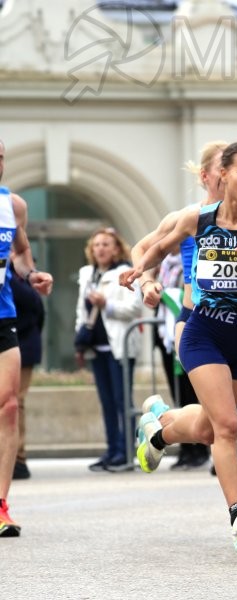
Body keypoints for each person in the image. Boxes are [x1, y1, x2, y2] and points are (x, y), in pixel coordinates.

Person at [120, 140, 237, 551]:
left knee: (208, 427)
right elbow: (154, 249)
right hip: (199, 330)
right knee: (229, 426)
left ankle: (160, 428)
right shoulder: (195, 219)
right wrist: (141, 276)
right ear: (222, 175)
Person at [132, 141, 228, 470]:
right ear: (206, 175)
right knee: (219, 421)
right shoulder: (187, 218)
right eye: (223, 168)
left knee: (209, 424)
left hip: (236, 324)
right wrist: (147, 283)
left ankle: (159, 424)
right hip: (194, 323)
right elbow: (141, 250)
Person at [0, 138, 54, 536]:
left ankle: (1, 506)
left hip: (3, 315)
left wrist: (31, 274)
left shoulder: (12, 204)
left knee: (9, 407)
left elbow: (19, 251)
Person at [75, 227, 143, 473]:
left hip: (120, 346)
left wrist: (107, 305)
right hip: (96, 347)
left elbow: (134, 308)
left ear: (116, 248)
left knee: (121, 400)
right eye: (97, 245)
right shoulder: (87, 274)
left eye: (106, 244)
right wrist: (79, 342)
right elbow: (81, 312)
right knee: (106, 402)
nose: (101, 249)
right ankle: (111, 449)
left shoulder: (125, 272)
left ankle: (126, 452)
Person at [10, 252, 44, 480]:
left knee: (16, 402)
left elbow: (36, 307)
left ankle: (18, 458)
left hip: (23, 346)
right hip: (8, 342)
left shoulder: (20, 278)